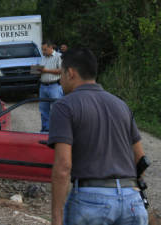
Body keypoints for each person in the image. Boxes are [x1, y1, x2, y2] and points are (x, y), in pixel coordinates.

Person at [48, 48, 148, 225]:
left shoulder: (64, 106)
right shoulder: (121, 105)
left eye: (61, 74)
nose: (60, 80)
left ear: (71, 73)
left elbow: (63, 166)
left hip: (91, 201)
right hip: (132, 201)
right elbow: (140, 158)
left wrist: (57, 217)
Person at [38, 41, 63, 132]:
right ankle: (45, 130)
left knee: (56, 109)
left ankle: (57, 130)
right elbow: (42, 70)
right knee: (43, 110)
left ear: (51, 47)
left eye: (45, 49)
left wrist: (46, 70)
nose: (43, 52)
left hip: (54, 86)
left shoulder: (59, 56)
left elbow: (61, 71)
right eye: (42, 50)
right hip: (43, 86)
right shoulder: (43, 58)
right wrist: (38, 71)